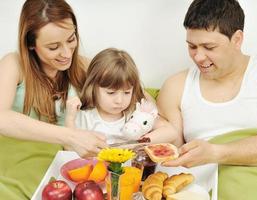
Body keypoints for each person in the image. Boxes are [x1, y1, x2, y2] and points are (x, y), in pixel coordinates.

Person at [157, 0, 257, 199]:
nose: (198, 57)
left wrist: (216, 153)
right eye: (192, 46)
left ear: (237, 39)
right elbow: (172, 154)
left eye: (209, 47)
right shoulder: (175, 86)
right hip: (201, 189)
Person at [0, 0, 107, 199]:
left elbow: (135, 95)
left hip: (65, 173)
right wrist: (70, 136)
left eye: (71, 39)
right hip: (14, 170)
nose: (67, 53)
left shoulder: (84, 66)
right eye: (53, 47)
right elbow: (1, 118)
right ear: (31, 44)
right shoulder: (13, 64)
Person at [65, 48, 178, 145]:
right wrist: (70, 118)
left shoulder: (134, 113)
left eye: (127, 92)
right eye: (111, 93)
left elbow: (171, 132)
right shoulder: (86, 117)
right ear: (93, 88)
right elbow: (69, 147)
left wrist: (138, 143)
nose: (119, 101)